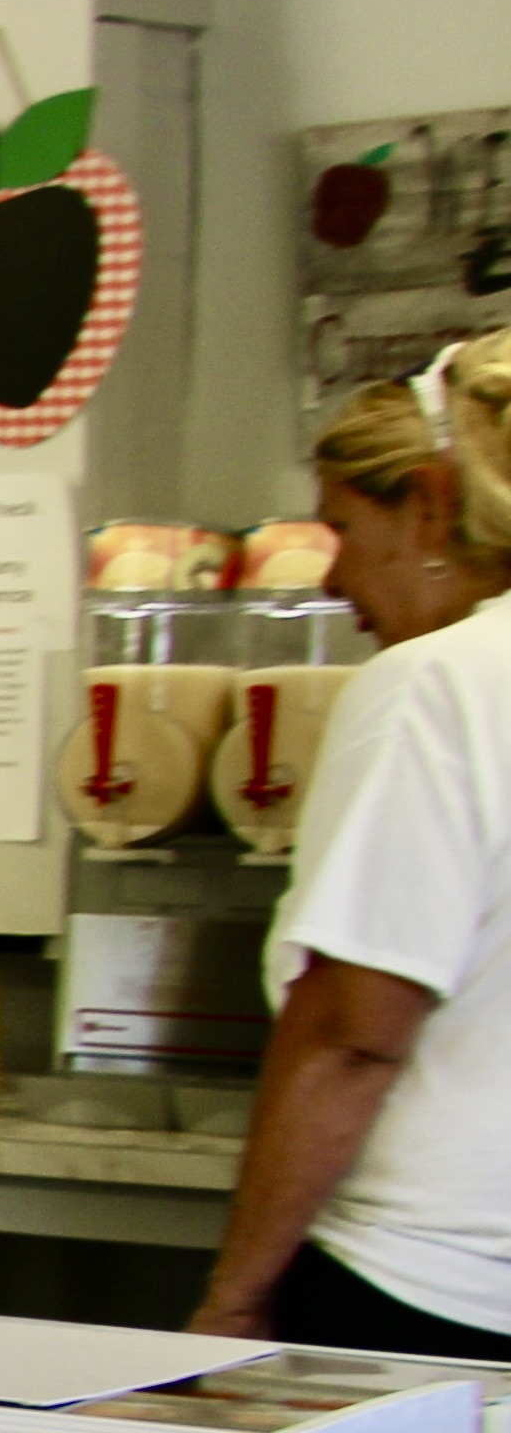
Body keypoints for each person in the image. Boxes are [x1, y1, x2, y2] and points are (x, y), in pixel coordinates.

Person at [194, 334, 511, 1351]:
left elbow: (353, 1029)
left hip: (421, 1288)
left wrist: (235, 1300)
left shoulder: (439, 685)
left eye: (340, 526)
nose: (332, 577)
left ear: (427, 505)